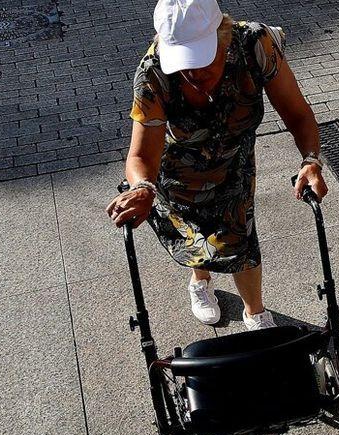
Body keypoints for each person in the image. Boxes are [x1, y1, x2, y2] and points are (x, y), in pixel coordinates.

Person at [105, 0, 327, 330]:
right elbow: (140, 155)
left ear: (223, 34)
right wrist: (142, 187)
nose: (193, 75)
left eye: (201, 61)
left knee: (241, 239)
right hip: (178, 175)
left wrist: (310, 160)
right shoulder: (153, 72)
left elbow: (298, 113)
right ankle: (201, 281)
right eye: (184, 64)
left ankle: (255, 312)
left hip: (233, 164)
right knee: (196, 237)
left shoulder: (255, 45)